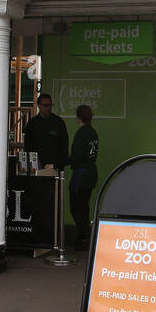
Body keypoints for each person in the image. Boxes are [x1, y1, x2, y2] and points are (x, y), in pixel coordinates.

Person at [68, 104, 99, 250]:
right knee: (84, 206)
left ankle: (83, 236)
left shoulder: (81, 133)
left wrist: (60, 162)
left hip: (81, 174)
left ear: (78, 117)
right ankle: (85, 236)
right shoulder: (93, 132)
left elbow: (75, 156)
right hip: (91, 172)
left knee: (76, 207)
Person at [23, 93, 69, 171]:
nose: (49, 108)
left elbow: (64, 145)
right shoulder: (32, 124)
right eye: (45, 105)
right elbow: (27, 146)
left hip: (54, 167)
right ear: (39, 105)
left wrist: (59, 165)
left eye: (50, 105)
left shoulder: (58, 122)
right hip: (36, 166)